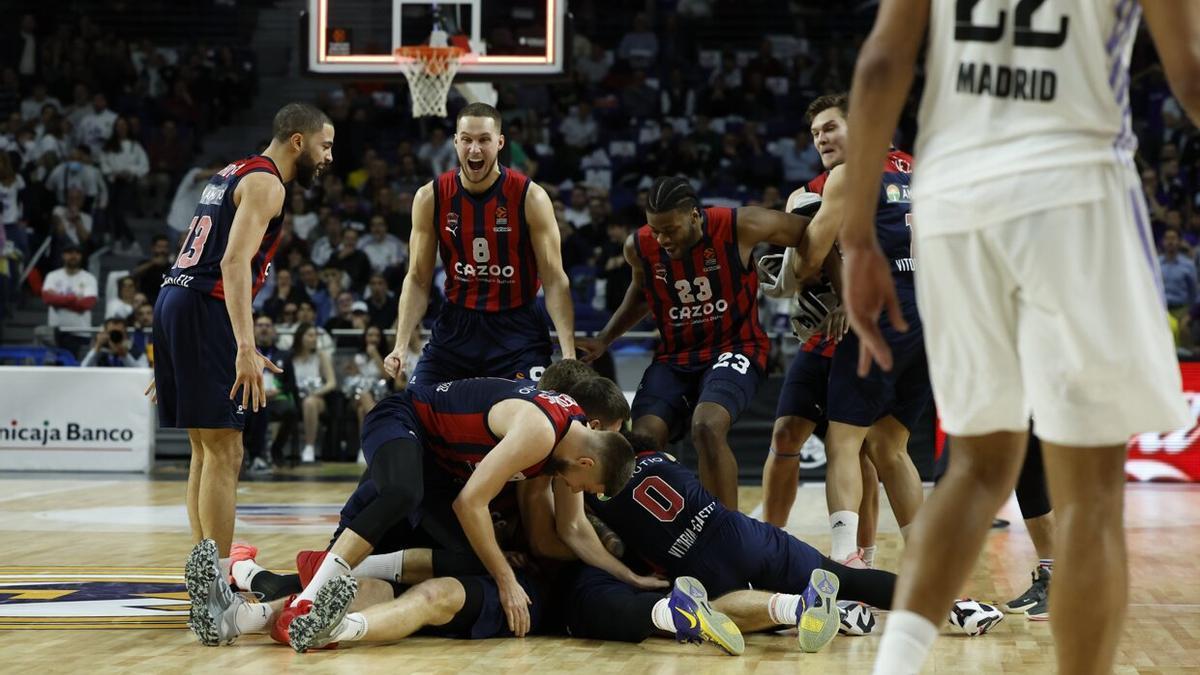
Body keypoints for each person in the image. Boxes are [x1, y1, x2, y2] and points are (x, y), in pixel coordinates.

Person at [839, 3, 1197, 674]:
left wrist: (857, 236)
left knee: (975, 468)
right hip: (1072, 188)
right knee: (1089, 492)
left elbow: (883, 62)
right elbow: (1193, 73)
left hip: (952, 199)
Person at [153, 102, 333, 648]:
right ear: (297, 141)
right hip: (203, 307)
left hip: (175, 300)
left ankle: (205, 581)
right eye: (325, 146)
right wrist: (244, 347)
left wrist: (178, 349)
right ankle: (218, 592)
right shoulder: (268, 185)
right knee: (226, 450)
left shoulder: (230, 171)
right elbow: (232, 264)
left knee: (204, 451)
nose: (329, 157)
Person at [578, 176, 810, 509]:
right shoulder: (639, 246)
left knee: (706, 427)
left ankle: (727, 534)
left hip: (736, 345)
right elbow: (641, 294)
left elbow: (811, 231)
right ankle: (660, 532)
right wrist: (605, 339)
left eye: (670, 230)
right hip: (675, 355)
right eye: (655, 230)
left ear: (694, 216)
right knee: (641, 440)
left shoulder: (740, 225)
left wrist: (819, 282)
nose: (662, 239)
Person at [773, 93, 929, 565]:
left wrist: (784, 267)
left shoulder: (845, 177)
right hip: (927, 314)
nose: (821, 137)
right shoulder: (916, 169)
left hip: (877, 314)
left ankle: (845, 562)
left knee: (844, 443)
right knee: (889, 445)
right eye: (816, 132)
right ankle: (926, 564)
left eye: (831, 128)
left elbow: (809, 260)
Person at [384, 102, 576, 387]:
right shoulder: (431, 196)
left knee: (532, 416)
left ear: (499, 143)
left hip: (518, 325)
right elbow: (417, 279)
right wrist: (400, 344)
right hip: (457, 326)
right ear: (455, 142)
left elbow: (554, 280)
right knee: (415, 407)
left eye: (484, 140)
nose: (474, 150)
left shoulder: (530, 197)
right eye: (467, 140)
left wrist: (568, 351)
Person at [289, 322, 337, 464]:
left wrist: (316, 392)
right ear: (300, 337)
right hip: (295, 397)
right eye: (310, 335)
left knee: (309, 403)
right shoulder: (290, 357)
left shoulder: (321, 356)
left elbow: (331, 382)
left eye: (315, 335)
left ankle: (309, 446)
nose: (314, 338)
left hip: (317, 398)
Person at [41, 242, 97, 355]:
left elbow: (87, 304)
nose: (73, 256)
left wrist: (58, 299)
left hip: (80, 332)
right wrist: (73, 298)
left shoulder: (89, 278)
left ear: (81, 256)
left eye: (77, 253)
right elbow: (47, 298)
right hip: (56, 332)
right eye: (70, 253)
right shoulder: (52, 276)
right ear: (63, 255)